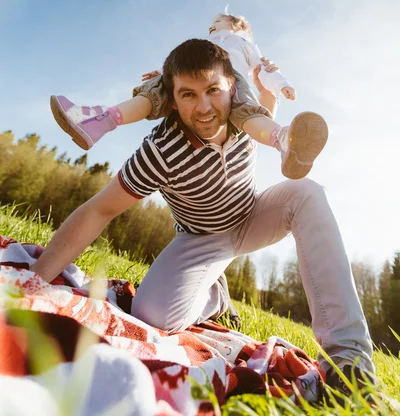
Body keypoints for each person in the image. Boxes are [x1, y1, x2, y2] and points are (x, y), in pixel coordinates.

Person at [33, 38, 374, 395]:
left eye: (213, 90)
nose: (204, 107)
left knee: (308, 192)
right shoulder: (160, 151)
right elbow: (100, 209)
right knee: (152, 315)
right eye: (188, 95)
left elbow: (266, 117)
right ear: (171, 98)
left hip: (253, 215)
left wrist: (264, 87)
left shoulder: (246, 117)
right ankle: (215, 297)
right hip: (201, 239)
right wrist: (37, 281)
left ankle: (348, 359)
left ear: (232, 86)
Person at [50, 13, 328, 180]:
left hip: (229, 79)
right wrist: (163, 70)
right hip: (192, 75)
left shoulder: (244, 44)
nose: (211, 28)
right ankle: (100, 120)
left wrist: (281, 85)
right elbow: (183, 60)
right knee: (155, 91)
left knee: (247, 111)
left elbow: (264, 71)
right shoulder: (207, 43)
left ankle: (282, 140)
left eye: (215, 22)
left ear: (233, 24)